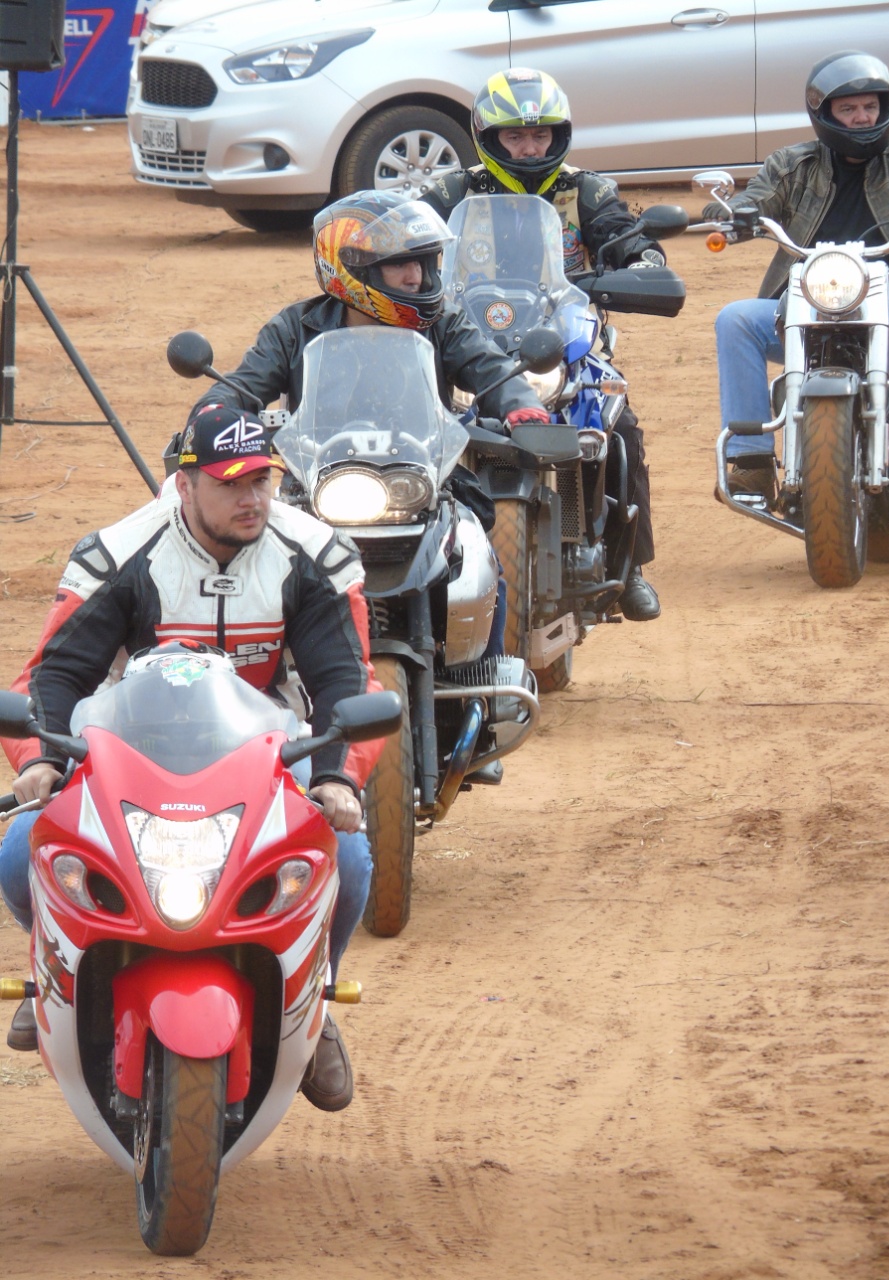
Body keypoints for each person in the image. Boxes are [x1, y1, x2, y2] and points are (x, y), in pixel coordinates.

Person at [0, 408, 382, 1114]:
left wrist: (336, 776)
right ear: (184, 485)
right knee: (22, 843)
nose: (253, 499)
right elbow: (51, 679)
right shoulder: (119, 555)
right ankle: (56, 972)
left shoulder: (314, 554)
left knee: (351, 863)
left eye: (263, 480)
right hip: (129, 755)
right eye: (231, 482)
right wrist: (37, 762)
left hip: (272, 757)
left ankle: (313, 1008)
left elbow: (345, 684)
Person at [189, 188, 550, 666]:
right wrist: (212, 415)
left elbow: (487, 366)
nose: (416, 276)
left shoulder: (442, 321)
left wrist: (519, 403)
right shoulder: (295, 328)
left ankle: (485, 676)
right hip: (319, 482)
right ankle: (266, 677)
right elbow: (244, 385)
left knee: (478, 560)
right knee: (247, 561)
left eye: (422, 262)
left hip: (422, 476)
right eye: (399, 264)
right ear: (351, 270)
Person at [420, 67, 665, 623]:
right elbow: (408, 240)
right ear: (488, 137)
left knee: (617, 425)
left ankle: (632, 567)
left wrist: (642, 263)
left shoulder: (588, 190)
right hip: (467, 336)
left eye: (540, 136)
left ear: (559, 136)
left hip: (564, 338)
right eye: (515, 137)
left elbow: (624, 237)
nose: (530, 149)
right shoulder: (450, 192)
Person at [707, 50, 889, 502]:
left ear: (884, 108)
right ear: (823, 113)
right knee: (735, 319)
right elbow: (757, 199)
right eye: (849, 109)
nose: (863, 118)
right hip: (809, 304)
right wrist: (737, 213)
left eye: (871, 107)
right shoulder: (792, 165)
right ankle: (752, 462)